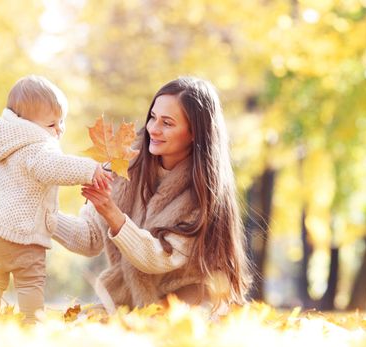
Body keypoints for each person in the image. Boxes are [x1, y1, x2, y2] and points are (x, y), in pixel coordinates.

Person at [53, 76, 252, 312]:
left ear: (194, 133)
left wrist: (112, 213)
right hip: (126, 300)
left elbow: (158, 258)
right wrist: (45, 216)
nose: (153, 129)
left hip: (185, 305)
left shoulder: (204, 194)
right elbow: (89, 240)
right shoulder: (123, 166)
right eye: (153, 118)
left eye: (167, 123)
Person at [0, 75, 111, 322]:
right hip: (22, 234)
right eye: (51, 125)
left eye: (61, 123)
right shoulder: (36, 144)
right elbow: (52, 167)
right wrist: (89, 170)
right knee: (30, 282)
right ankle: (32, 323)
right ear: (26, 122)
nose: (58, 130)